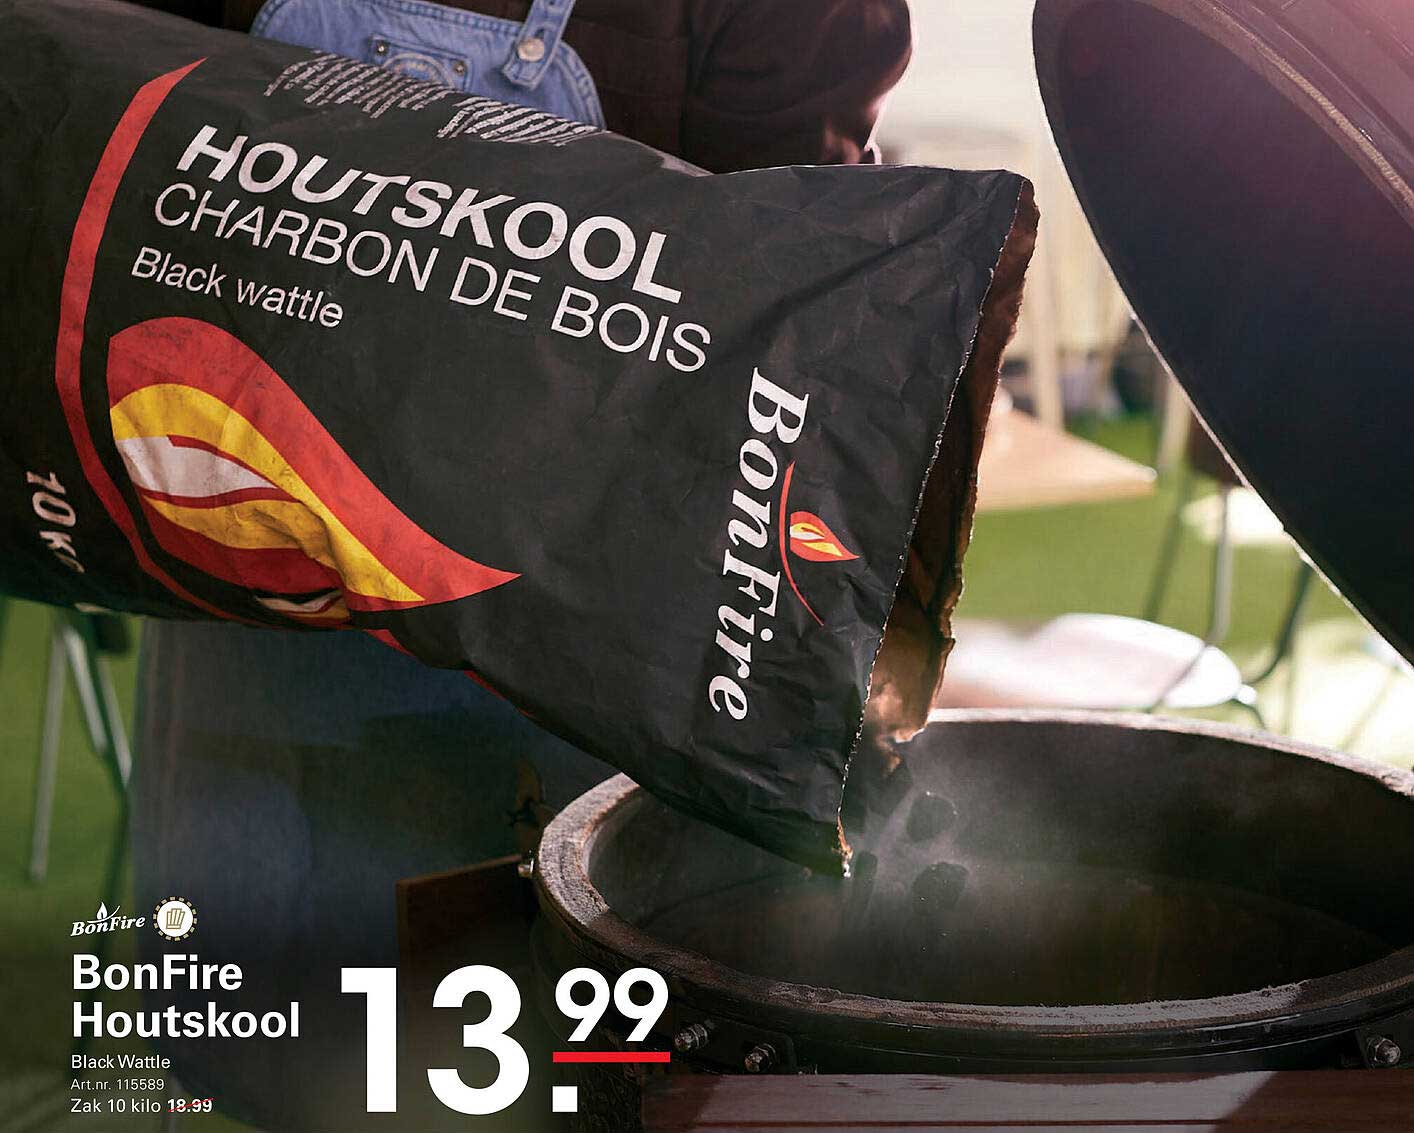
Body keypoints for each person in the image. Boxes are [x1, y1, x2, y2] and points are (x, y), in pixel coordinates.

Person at [125, 1, 911, 1127]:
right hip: (265, 671)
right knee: (288, 1067)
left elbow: (797, 302)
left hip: (580, 705)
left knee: (565, 1084)